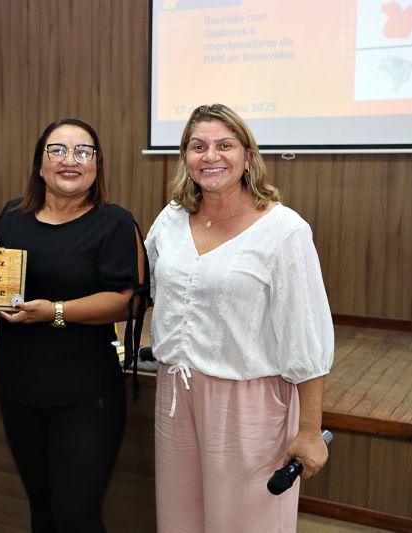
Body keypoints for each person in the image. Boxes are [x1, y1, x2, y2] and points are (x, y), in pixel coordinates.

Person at [144, 104, 335, 532]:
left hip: (249, 404)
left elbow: (307, 336)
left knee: (246, 522)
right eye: (198, 147)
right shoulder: (170, 220)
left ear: (248, 157)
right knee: (179, 519)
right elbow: (158, 292)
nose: (210, 156)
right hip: (176, 393)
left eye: (224, 145)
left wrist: (309, 430)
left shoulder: (284, 231)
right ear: (186, 158)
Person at [0, 118, 146, 533]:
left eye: (83, 151)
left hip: (85, 391)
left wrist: (55, 311)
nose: (69, 160)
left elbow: (128, 300)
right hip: (18, 385)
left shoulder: (114, 223)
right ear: (39, 165)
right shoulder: (11, 217)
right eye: (56, 150)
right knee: (41, 510)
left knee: (76, 516)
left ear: (97, 165)